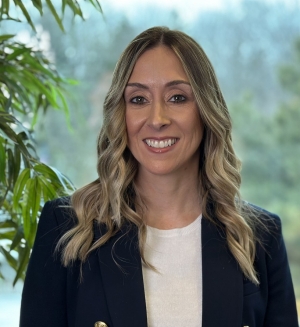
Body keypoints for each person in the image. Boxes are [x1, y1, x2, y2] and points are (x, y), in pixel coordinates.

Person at [20, 26, 298, 327]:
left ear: (206, 110)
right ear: (120, 113)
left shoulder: (260, 236)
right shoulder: (67, 228)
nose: (157, 120)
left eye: (177, 98)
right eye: (138, 99)